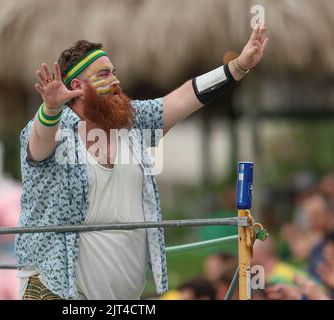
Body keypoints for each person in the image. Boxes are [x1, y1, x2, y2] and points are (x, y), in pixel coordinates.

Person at [16, 24, 268, 299]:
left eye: (114, 73)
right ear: (77, 86)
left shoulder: (133, 122)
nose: (116, 81)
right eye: (104, 74)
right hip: (56, 291)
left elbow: (186, 96)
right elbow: (38, 145)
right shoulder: (53, 129)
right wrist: (50, 109)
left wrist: (237, 67)